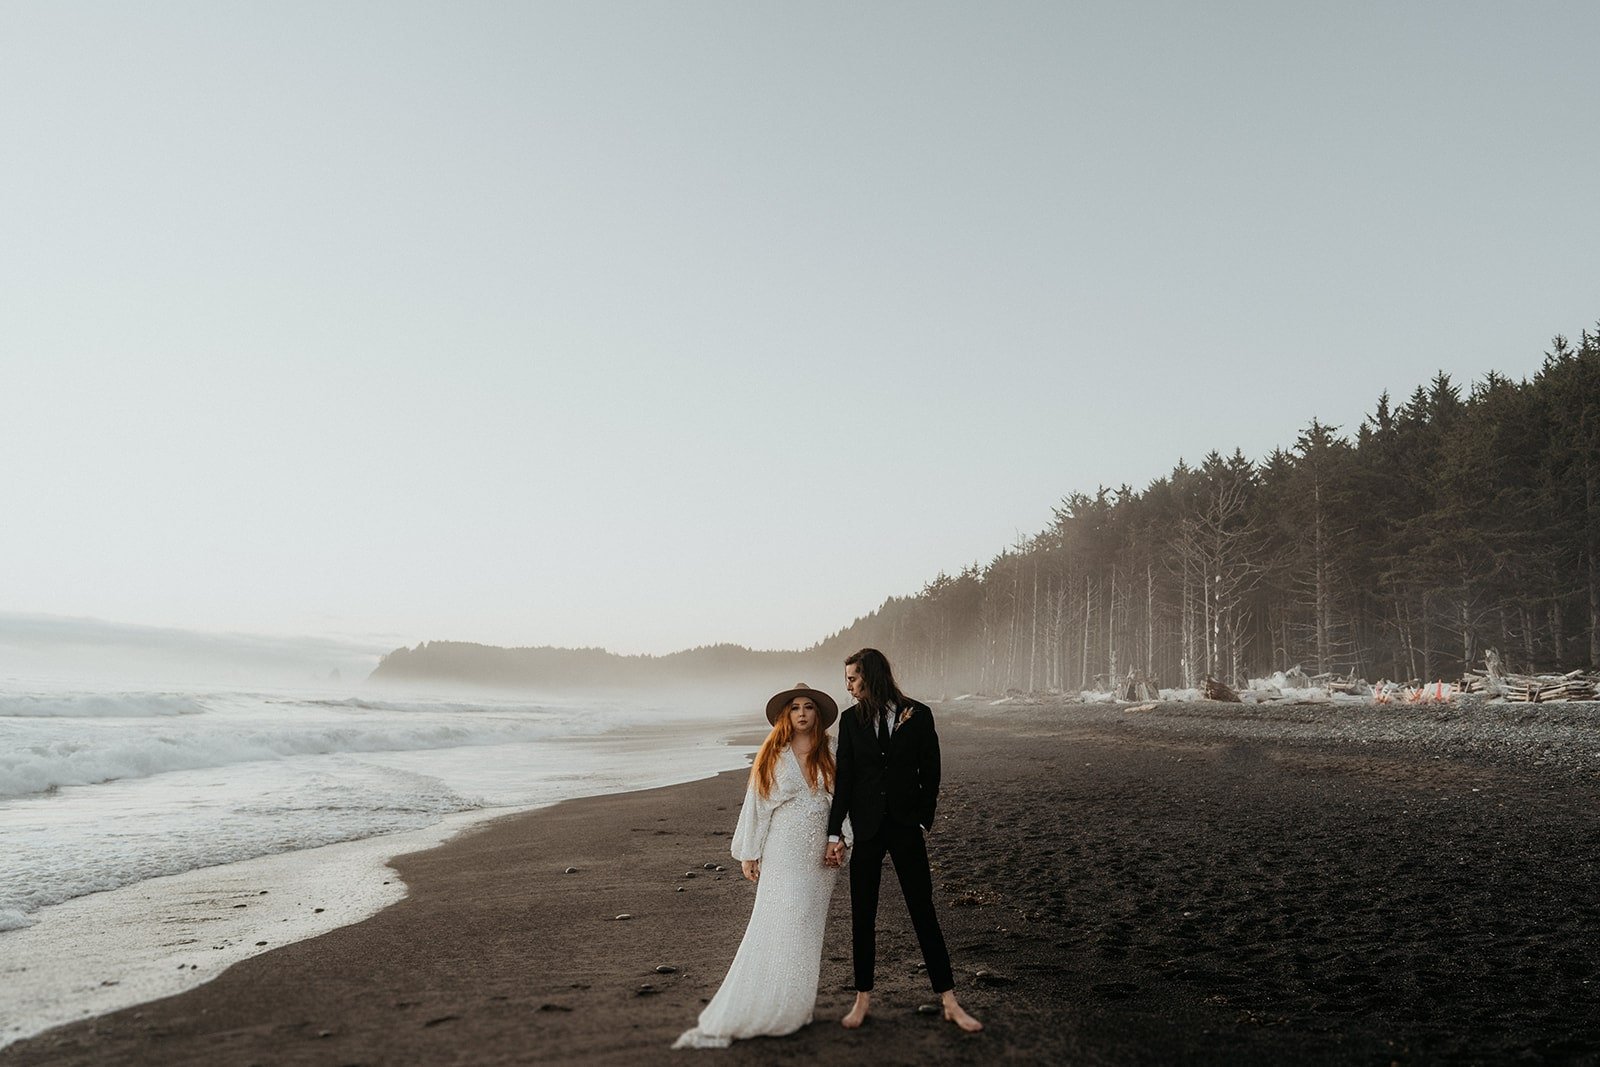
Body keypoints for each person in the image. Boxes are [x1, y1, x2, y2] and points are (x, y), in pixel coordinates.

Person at [672, 683, 849, 1049]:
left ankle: (795, 1007)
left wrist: (842, 837)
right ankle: (763, 1005)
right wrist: (750, 852)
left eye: (809, 707)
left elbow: (846, 799)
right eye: (795, 707)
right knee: (778, 920)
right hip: (783, 847)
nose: (802, 713)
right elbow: (756, 804)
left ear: (818, 714)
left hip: (821, 851)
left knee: (806, 926)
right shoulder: (773, 753)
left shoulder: (831, 750)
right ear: (786, 715)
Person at [824, 648, 982, 1032]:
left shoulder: (919, 714)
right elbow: (844, 779)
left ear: (872, 676)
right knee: (863, 915)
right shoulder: (849, 721)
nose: (848, 685)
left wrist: (923, 820)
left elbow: (932, 769)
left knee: (922, 910)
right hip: (866, 828)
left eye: (853, 678)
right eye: (846, 678)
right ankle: (862, 998)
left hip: (906, 826)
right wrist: (835, 831)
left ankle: (948, 999)